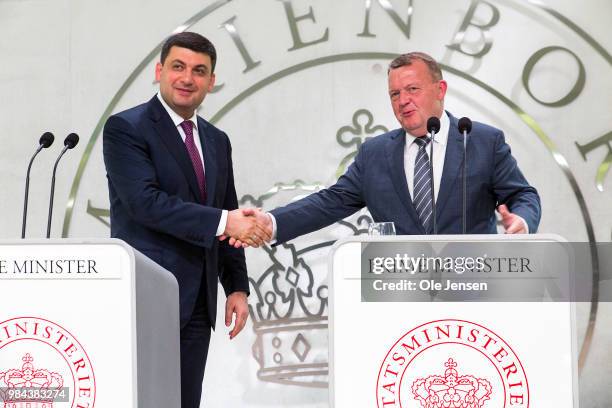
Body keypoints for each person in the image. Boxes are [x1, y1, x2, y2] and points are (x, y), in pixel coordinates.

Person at [103, 32, 270, 408]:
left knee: (185, 401)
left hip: (198, 302)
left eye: (199, 71)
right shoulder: (126, 129)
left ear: (211, 82)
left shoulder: (216, 140)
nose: (187, 78)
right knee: (143, 399)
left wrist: (237, 287)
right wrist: (227, 222)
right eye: (177, 67)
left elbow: (226, 208)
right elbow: (145, 203)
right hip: (147, 296)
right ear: (159, 71)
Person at [229, 52, 540, 246]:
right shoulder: (375, 154)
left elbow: (522, 195)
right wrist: (270, 223)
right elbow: (330, 202)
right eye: (394, 93)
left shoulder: (481, 140)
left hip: (475, 290)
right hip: (399, 299)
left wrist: (521, 223)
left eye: (412, 90)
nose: (403, 100)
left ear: (440, 90)